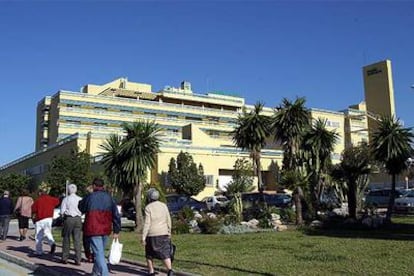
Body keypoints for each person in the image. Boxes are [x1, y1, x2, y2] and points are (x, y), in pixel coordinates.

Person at [79, 178, 121, 276]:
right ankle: (95, 272)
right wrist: (116, 230)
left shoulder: (90, 197)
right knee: (100, 252)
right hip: (106, 229)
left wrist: (87, 195)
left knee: (98, 253)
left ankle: (104, 274)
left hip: (93, 228)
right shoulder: (109, 198)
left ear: (93, 186)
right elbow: (116, 215)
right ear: (103, 186)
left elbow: (81, 207)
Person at [142, 188, 174, 276]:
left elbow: (147, 223)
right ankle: (170, 270)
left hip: (152, 234)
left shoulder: (148, 207)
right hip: (163, 232)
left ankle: (151, 271)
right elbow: (168, 220)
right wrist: (169, 231)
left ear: (149, 197)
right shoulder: (164, 205)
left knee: (149, 253)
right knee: (165, 253)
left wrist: (143, 237)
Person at [31, 188, 60, 255]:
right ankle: (52, 243)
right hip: (49, 218)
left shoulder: (38, 200)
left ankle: (39, 251)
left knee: (39, 235)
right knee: (48, 232)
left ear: (40, 193)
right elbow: (58, 201)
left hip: (40, 219)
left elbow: (33, 209)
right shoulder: (51, 199)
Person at [60, 184, 82, 265]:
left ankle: (65, 257)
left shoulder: (66, 199)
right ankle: (78, 259)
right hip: (78, 218)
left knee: (66, 238)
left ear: (68, 190)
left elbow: (62, 211)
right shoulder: (80, 199)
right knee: (77, 239)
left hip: (69, 218)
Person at [82, 184, 94, 263]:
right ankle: (93, 255)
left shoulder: (87, 198)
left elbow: (82, 208)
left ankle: (89, 255)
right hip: (100, 223)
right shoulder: (103, 197)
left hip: (89, 221)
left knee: (87, 240)